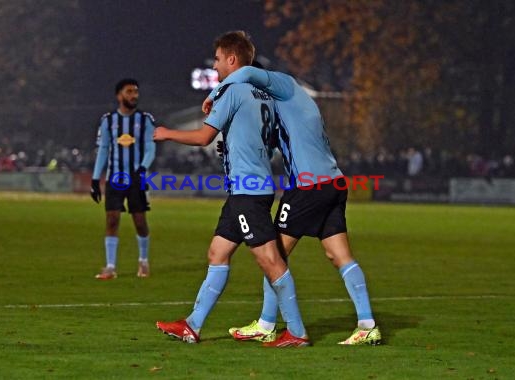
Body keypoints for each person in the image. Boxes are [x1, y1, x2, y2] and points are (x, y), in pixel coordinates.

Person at [203, 65, 382, 345]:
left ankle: (266, 324)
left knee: (275, 256)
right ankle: (367, 324)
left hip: (307, 187)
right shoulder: (285, 108)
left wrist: (215, 94)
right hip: (332, 183)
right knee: (338, 255)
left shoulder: (284, 86)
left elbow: (248, 71)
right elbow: (275, 144)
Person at [153, 31, 309, 347]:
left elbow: (203, 138)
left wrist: (166, 133)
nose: (215, 64)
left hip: (248, 192)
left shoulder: (234, 92)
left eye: (218, 59)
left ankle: (297, 331)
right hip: (250, 188)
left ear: (232, 59)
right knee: (218, 252)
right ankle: (192, 326)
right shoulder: (263, 95)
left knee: (270, 259)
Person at [90, 78, 156, 280]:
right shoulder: (108, 121)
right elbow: (103, 150)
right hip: (115, 178)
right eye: (129, 91)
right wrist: (95, 179)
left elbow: (151, 148)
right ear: (119, 95)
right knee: (112, 219)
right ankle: (110, 267)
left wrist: (142, 168)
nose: (134, 95)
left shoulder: (145, 119)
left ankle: (143, 261)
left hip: (136, 178)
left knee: (139, 221)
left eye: (136, 91)